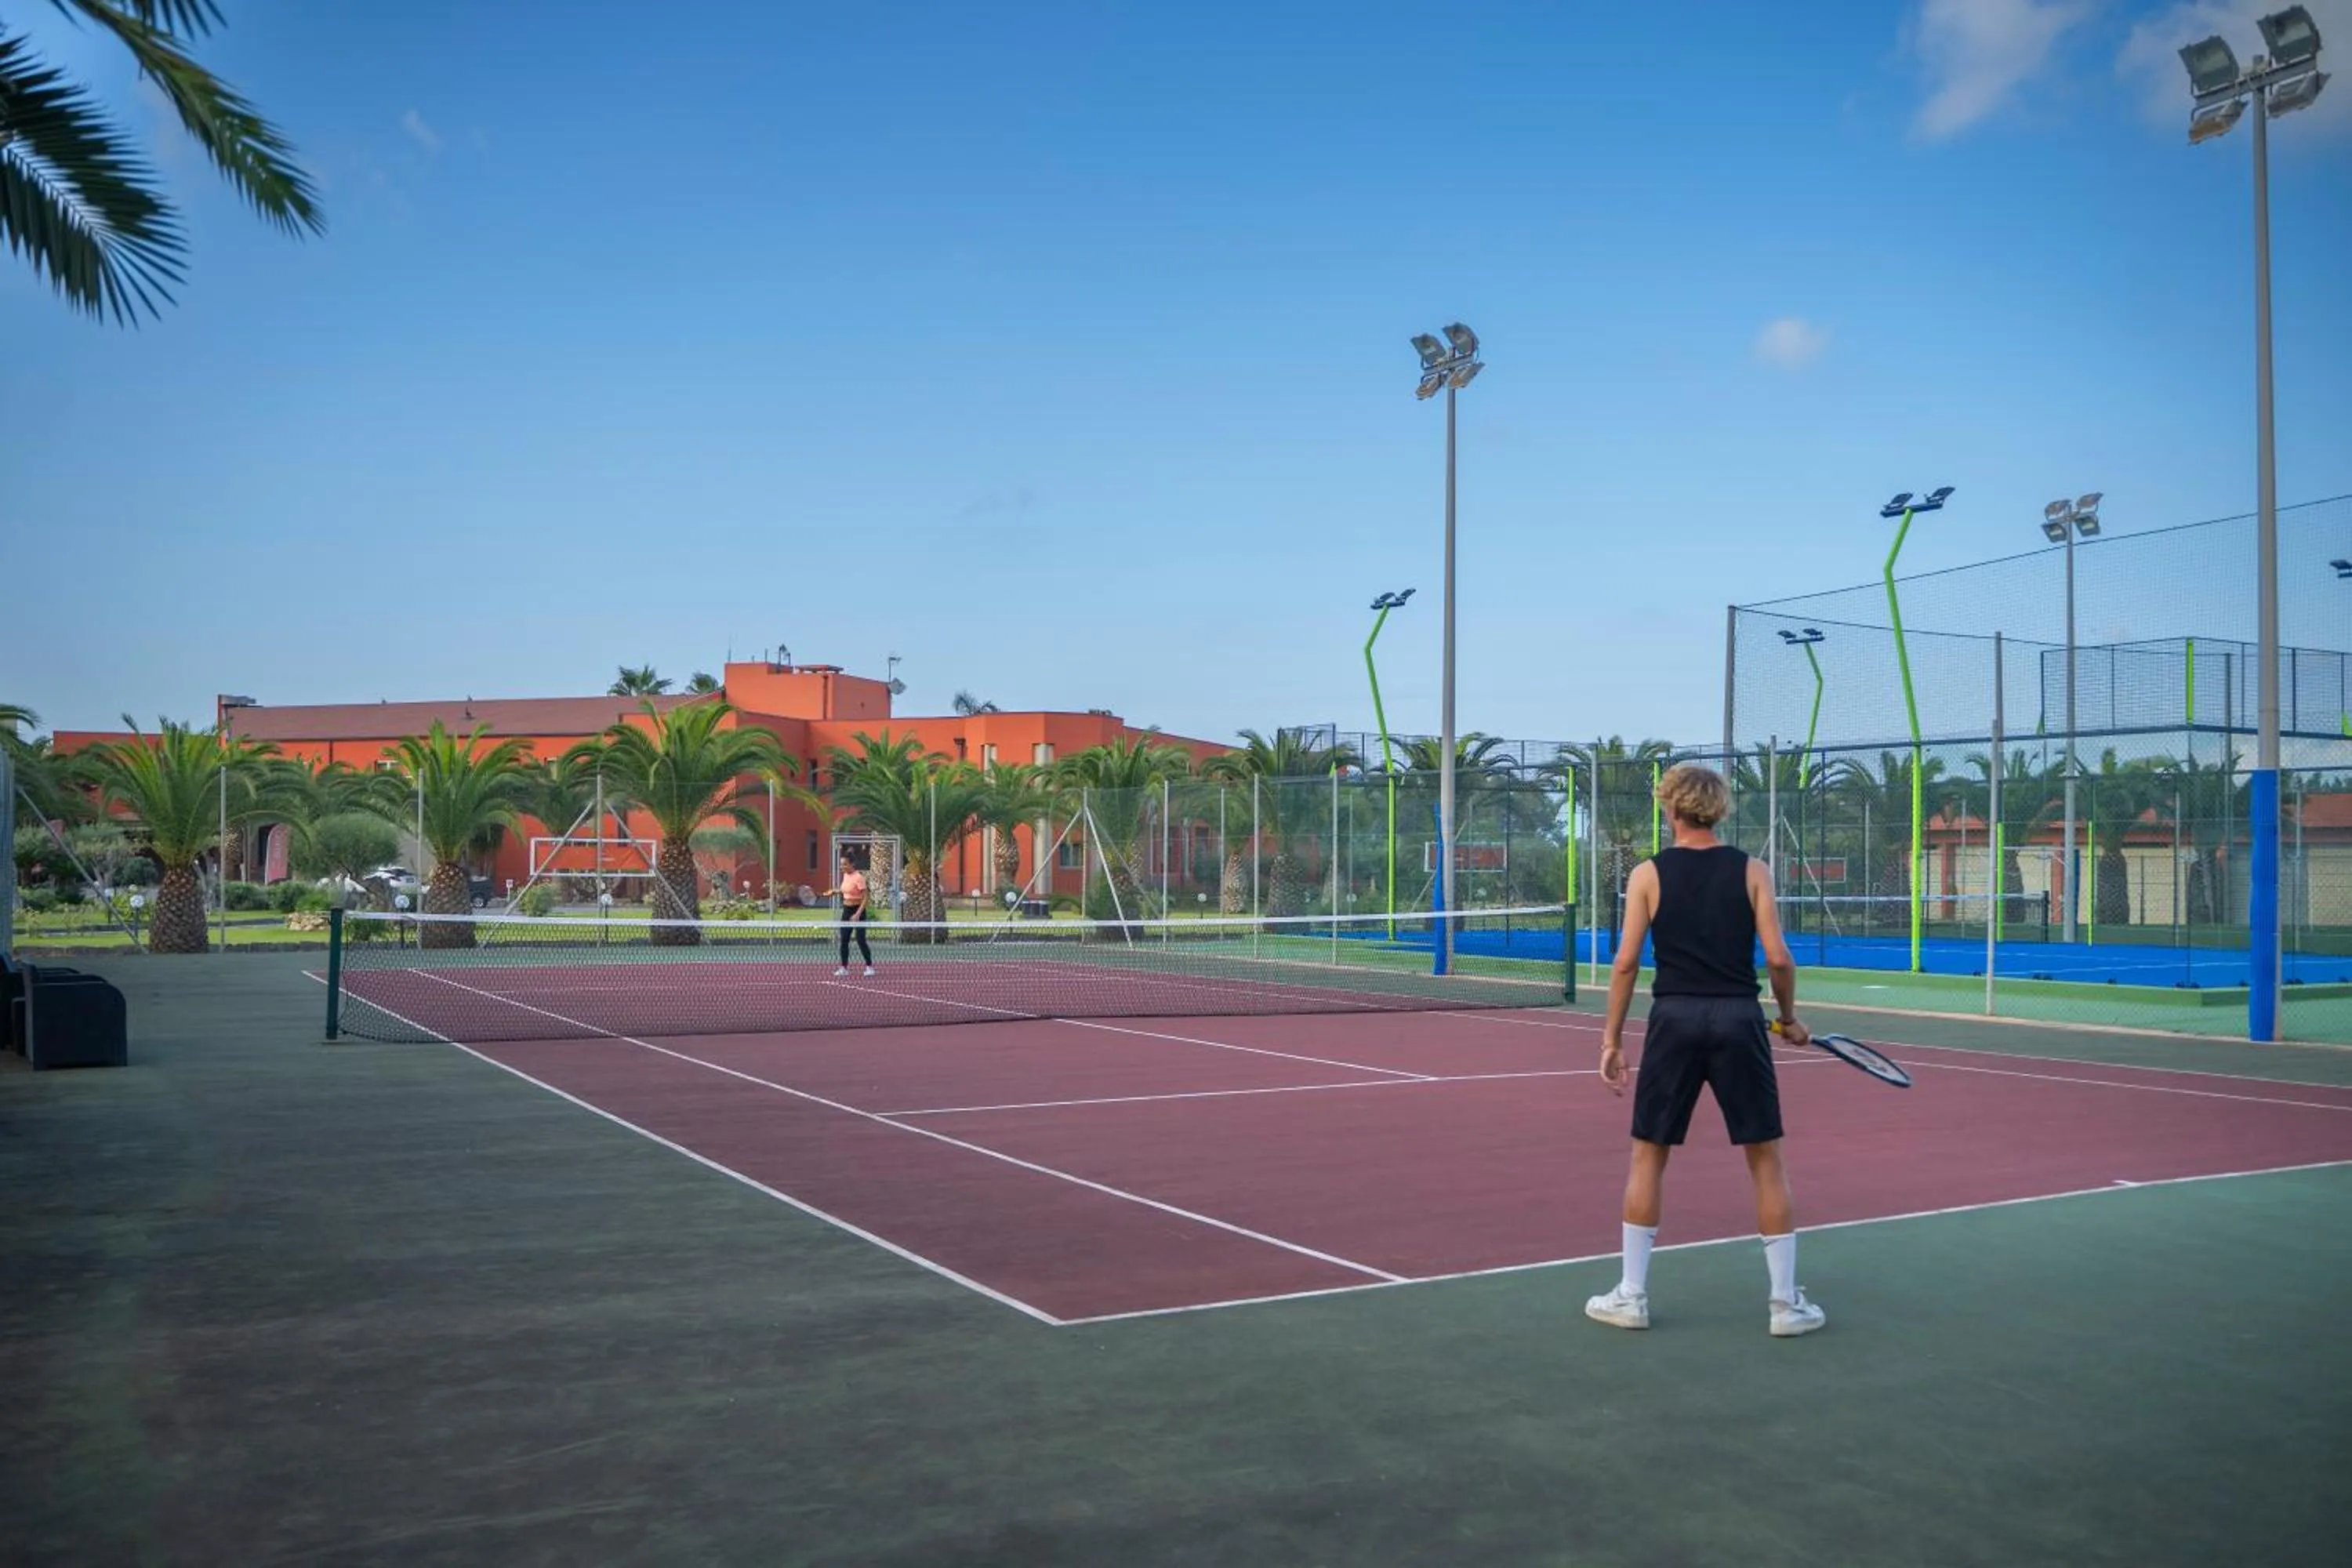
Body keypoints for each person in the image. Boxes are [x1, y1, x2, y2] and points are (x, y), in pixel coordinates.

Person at [1585, 762, 1824, 1338]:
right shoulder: (1753, 871)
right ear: (1717, 810)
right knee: (1765, 1159)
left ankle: (1632, 1297)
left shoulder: (1648, 874)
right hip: (1740, 1019)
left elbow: (1625, 963)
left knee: (1649, 1154)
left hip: (1674, 1021)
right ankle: (1785, 1305)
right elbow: (1778, 958)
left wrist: (1612, 1039)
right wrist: (1789, 1018)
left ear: (1670, 809)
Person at [822, 850, 875, 978]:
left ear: (852, 864)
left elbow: (866, 898)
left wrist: (857, 914)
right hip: (847, 910)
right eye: (841, 864)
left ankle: (869, 966)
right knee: (844, 939)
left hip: (858, 911)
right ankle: (844, 968)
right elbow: (846, 890)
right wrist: (834, 892)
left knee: (860, 940)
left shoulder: (859, 878)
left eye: (845, 864)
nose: (842, 867)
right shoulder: (846, 876)